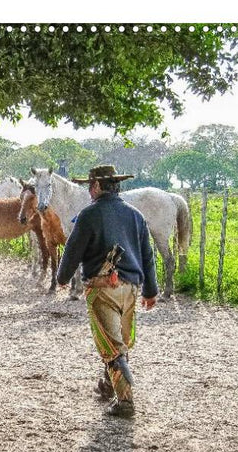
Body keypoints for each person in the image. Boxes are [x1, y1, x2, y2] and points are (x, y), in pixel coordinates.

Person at [56, 165, 158, 418]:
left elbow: (72, 250)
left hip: (103, 290)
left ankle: (125, 402)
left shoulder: (89, 215)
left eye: (92, 185)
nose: (89, 189)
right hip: (132, 289)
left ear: (99, 186)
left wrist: (62, 277)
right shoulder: (135, 215)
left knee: (111, 346)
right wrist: (151, 290)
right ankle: (107, 386)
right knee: (119, 341)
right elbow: (148, 255)